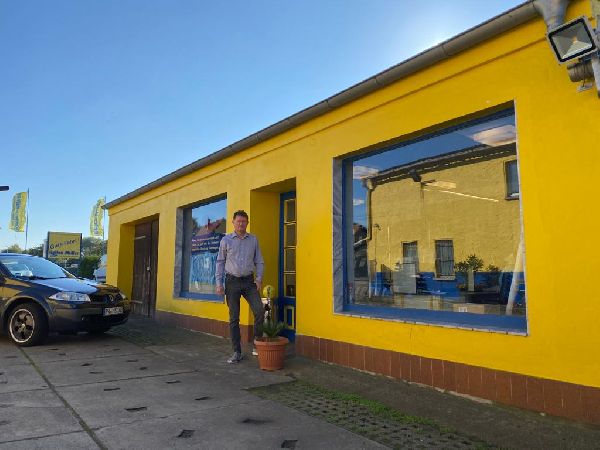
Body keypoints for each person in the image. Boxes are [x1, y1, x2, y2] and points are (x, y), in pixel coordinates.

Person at [216, 210, 265, 364]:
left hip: (249, 282)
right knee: (234, 318)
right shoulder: (226, 240)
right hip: (232, 282)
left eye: (243, 221)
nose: (241, 224)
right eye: (238, 221)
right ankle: (236, 352)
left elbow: (259, 261)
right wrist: (219, 283)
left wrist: (259, 279)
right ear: (233, 222)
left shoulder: (253, 240)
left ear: (247, 223)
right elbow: (220, 262)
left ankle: (257, 343)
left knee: (259, 310)